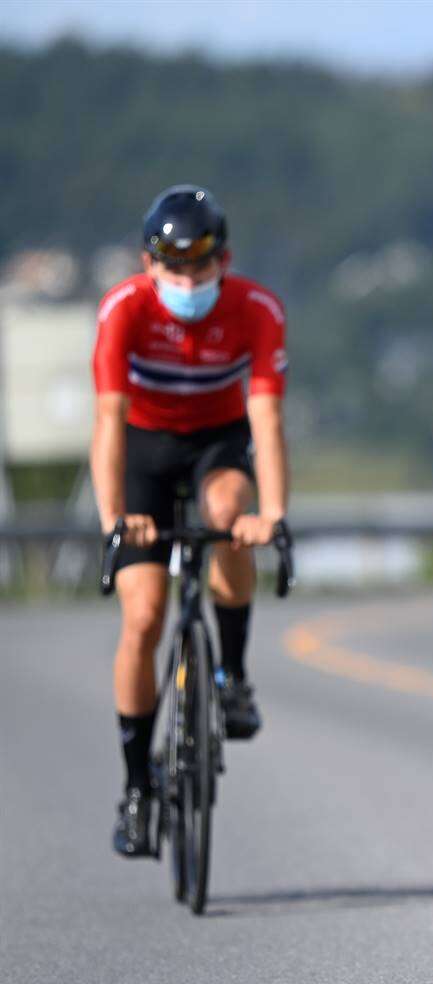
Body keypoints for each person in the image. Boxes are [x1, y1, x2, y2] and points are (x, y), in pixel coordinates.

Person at [91, 185, 290, 857]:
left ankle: (231, 676)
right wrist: (116, 517)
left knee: (230, 515)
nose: (186, 281)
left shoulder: (256, 309)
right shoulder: (122, 309)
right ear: (149, 266)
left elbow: (265, 416)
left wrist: (275, 515)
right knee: (143, 616)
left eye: (199, 269)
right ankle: (136, 783)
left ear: (222, 262)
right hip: (144, 451)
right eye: (172, 270)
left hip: (217, 442)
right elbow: (108, 424)